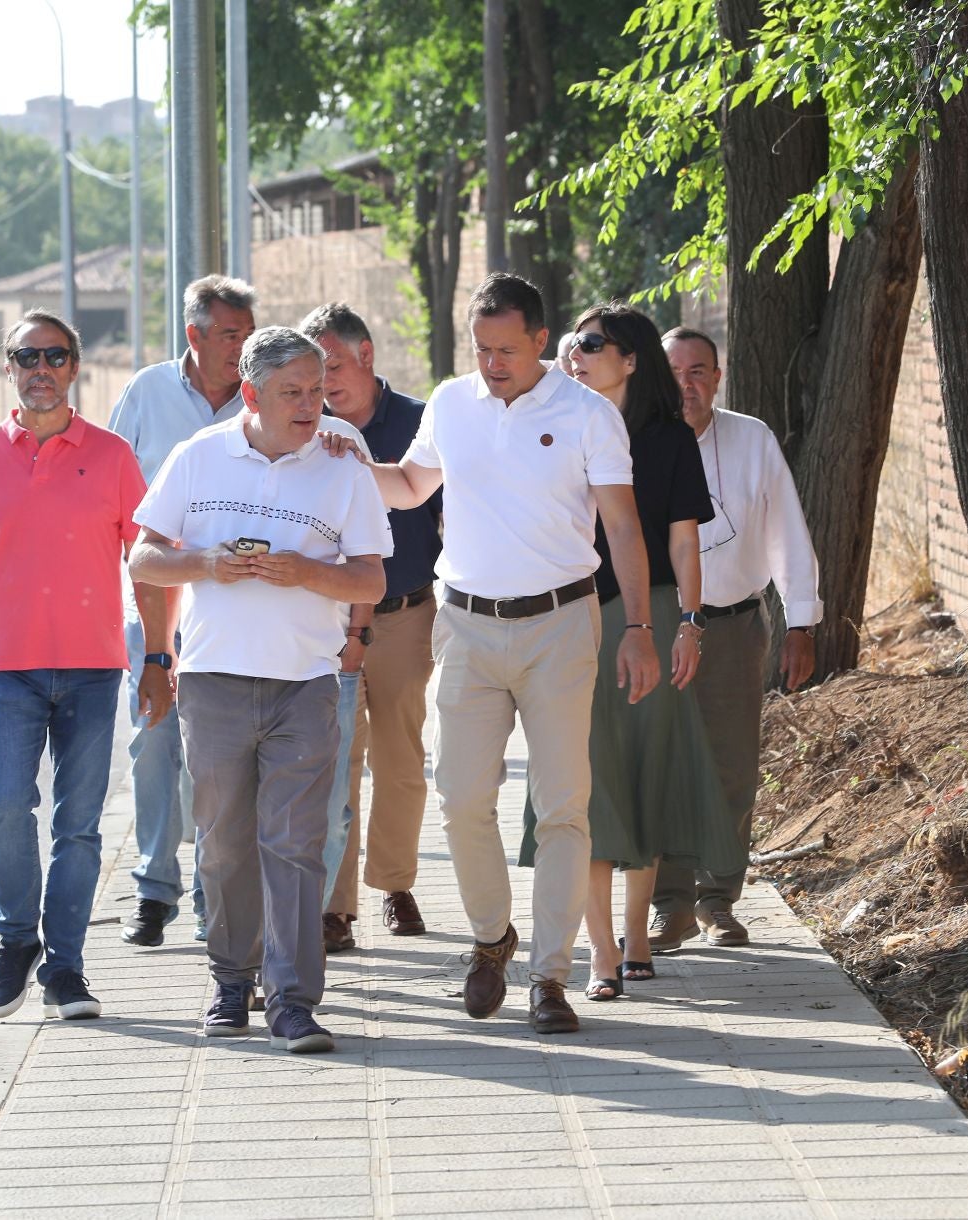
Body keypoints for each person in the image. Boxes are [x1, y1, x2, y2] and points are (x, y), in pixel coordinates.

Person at [325, 273, 659, 1035]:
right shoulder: (450, 403)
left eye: (507, 349)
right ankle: (489, 939)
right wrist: (344, 465)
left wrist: (639, 630)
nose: (492, 362)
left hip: (560, 625)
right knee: (461, 798)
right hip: (467, 625)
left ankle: (549, 977)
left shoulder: (586, 415)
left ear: (543, 342)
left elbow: (625, 529)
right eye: (481, 348)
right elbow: (411, 486)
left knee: (564, 805)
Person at [129, 327, 391, 1054]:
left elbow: (371, 578)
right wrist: (207, 563)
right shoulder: (198, 457)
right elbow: (144, 560)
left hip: (306, 685)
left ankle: (295, 1002)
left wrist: (307, 572)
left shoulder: (342, 466)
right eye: (293, 393)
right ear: (251, 394)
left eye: (318, 389)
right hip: (213, 682)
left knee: (295, 845)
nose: (313, 405)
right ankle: (230, 981)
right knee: (223, 845)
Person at [0, 309, 172, 1021]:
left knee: (79, 826)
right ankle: (16, 939)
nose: (41, 370)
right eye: (26, 357)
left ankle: (65, 967)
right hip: (9, 670)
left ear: (75, 368)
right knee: (6, 807)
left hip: (94, 669)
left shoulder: (110, 458)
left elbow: (149, 566)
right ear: (7, 368)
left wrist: (158, 657)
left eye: (55, 357)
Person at [522, 304, 737, 1001]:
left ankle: (638, 935)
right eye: (570, 344)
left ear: (631, 359)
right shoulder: (549, 427)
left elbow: (682, 540)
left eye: (592, 344)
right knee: (583, 783)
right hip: (568, 619)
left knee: (645, 777)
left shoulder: (667, 438)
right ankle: (600, 951)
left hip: (650, 618)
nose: (575, 354)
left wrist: (691, 623)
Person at [649, 326, 820, 950]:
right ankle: (669, 904)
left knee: (730, 766)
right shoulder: (638, 440)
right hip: (661, 629)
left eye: (698, 371)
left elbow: (787, 533)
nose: (686, 384)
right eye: (674, 371)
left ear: (717, 378)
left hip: (735, 625)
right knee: (665, 765)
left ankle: (719, 898)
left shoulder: (752, 439)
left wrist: (800, 621)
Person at [107, 275, 257, 947]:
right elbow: (114, 498)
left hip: (232, 613)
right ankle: (152, 886)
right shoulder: (147, 393)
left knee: (219, 757)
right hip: (153, 604)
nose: (242, 347)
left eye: (249, 334)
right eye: (230, 335)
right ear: (194, 336)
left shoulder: (261, 399)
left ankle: (209, 895)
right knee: (153, 743)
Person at [299, 303, 442, 952]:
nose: (322, 382)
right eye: (311, 368)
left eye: (331, 365)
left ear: (367, 356)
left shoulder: (418, 422)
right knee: (335, 763)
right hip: (326, 625)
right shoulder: (302, 429)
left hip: (408, 614)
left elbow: (450, 514)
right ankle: (335, 905)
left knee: (400, 759)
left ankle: (395, 882)